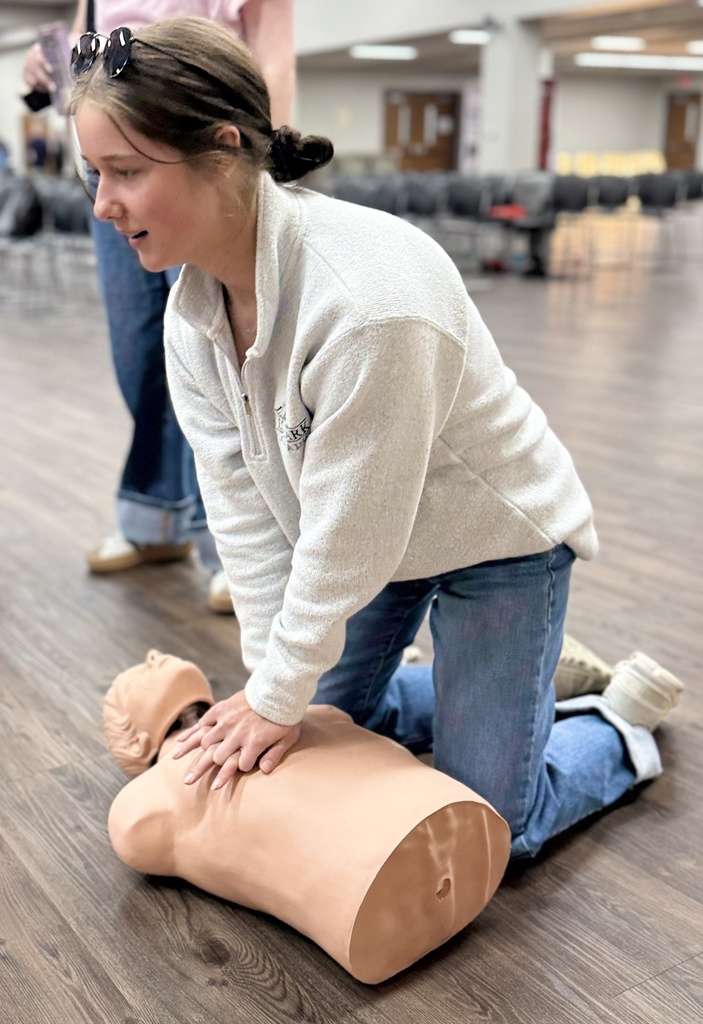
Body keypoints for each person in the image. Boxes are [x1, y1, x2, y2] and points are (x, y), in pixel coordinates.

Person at [71, 17, 685, 860]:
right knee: (320, 721)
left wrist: (281, 697)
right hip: (376, 542)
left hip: (496, 542)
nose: (102, 204)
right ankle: (529, 683)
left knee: (490, 833)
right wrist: (271, 689)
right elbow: (246, 521)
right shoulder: (194, 316)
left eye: (126, 172)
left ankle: (618, 723)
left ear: (223, 149)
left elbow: (349, 535)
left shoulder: (368, 306)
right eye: (94, 174)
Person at [23, 0, 295, 613]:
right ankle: (157, 519)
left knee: (220, 353)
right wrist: (50, 66)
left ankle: (237, 547)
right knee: (142, 350)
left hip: (190, 166)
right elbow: (84, 40)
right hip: (111, 166)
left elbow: (274, 57)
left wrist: (257, 168)